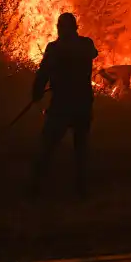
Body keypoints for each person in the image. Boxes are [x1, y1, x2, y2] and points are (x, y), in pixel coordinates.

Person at [28, 12, 99, 199]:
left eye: (60, 27)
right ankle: (81, 191)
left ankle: (35, 188)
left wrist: (36, 92)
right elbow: (94, 53)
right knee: (81, 150)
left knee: (47, 146)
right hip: (82, 104)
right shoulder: (86, 44)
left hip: (62, 105)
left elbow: (43, 74)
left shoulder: (55, 48)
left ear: (60, 28)